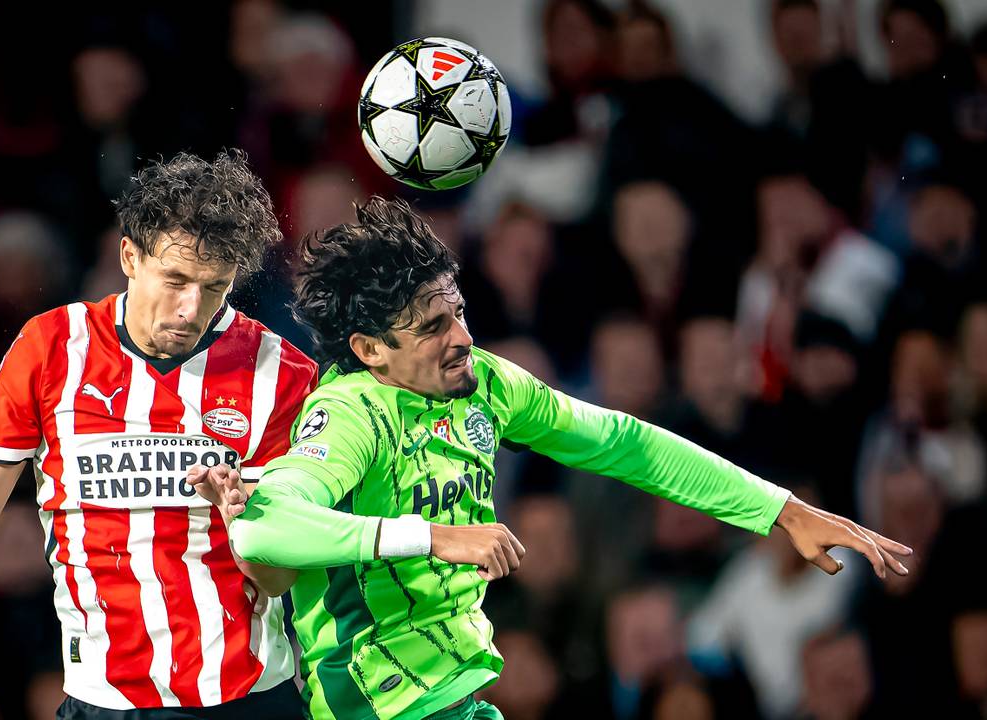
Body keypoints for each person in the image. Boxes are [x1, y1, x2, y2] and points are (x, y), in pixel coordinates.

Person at [188, 198, 912, 720]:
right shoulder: (350, 414)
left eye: (459, 311)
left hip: (457, 697)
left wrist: (781, 510)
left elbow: (627, 445)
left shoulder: (485, 387)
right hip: (377, 705)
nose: (462, 338)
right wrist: (433, 536)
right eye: (432, 327)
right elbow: (261, 528)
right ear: (371, 351)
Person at [0, 151, 319, 718]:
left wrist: (244, 524)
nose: (192, 309)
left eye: (215, 287)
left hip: (247, 700)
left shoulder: (281, 373)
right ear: (129, 256)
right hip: (103, 702)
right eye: (176, 280)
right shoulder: (51, 348)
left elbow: (281, 579)